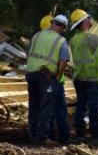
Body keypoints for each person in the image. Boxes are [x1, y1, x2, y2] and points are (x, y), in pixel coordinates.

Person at [26, 14, 70, 144]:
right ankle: (42, 137)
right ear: (63, 27)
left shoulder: (36, 36)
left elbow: (28, 52)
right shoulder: (61, 40)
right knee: (46, 107)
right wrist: (58, 74)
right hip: (46, 76)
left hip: (31, 74)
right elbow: (64, 61)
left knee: (34, 106)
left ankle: (33, 135)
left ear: (52, 23)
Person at [69, 9, 98, 140]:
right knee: (94, 107)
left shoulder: (73, 40)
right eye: (88, 18)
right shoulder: (92, 39)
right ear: (84, 22)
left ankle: (80, 132)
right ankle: (95, 134)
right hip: (92, 78)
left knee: (81, 106)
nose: (90, 20)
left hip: (79, 77)